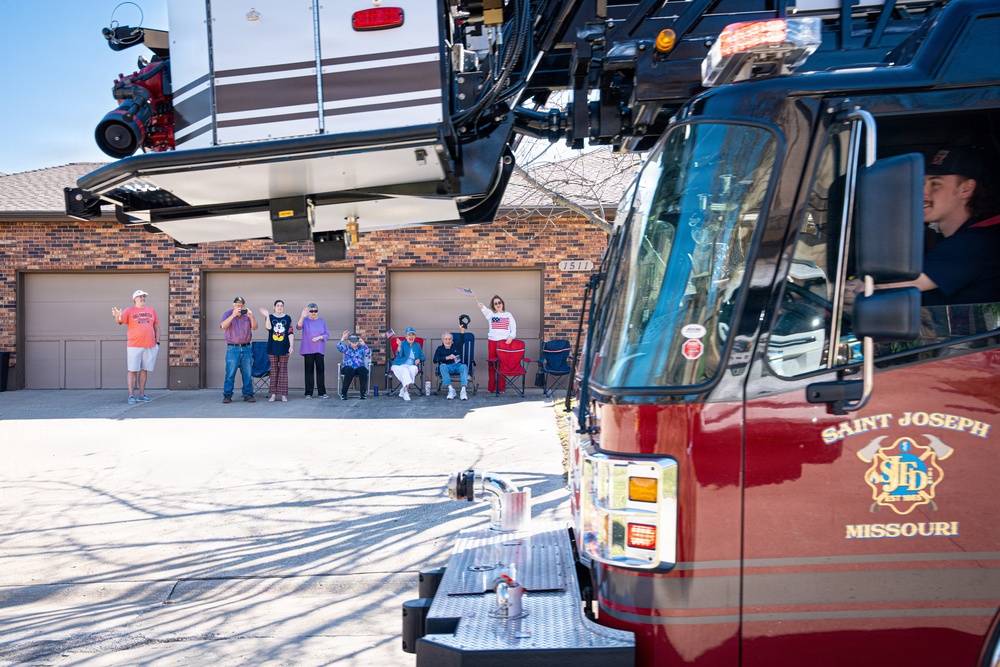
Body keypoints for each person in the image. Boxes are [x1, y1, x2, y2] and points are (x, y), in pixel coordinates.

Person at [852, 146, 1000, 306]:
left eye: (935, 184)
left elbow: (877, 292)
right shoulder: (943, 238)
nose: (923, 192)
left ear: (966, 189)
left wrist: (833, 293)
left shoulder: (973, 244)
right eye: (921, 183)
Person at [111, 289, 160, 405]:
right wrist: (117, 316)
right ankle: (131, 395)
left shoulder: (151, 310)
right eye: (140, 297)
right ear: (134, 299)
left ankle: (141, 395)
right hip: (134, 346)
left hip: (150, 345)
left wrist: (157, 343)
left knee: (144, 370)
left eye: (144, 297)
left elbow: (156, 327)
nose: (142, 298)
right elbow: (119, 320)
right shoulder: (129, 311)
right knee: (132, 370)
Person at [220, 296, 258, 403]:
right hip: (232, 348)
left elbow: (255, 327)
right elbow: (223, 326)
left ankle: (248, 394)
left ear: (244, 306)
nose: (239, 307)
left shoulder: (247, 315)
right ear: (233, 305)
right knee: (230, 373)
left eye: (241, 305)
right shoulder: (227, 314)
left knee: (247, 373)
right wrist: (233, 315)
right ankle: (227, 395)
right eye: (237, 305)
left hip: (246, 348)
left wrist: (251, 317)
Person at [478, 294, 517, 393]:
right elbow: (486, 311)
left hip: (504, 343)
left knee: (502, 365)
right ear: (493, 306)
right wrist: (482, 307)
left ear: (502, 303)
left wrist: (511, 337)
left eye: (499, 302)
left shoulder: (508, 315)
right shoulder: (491, 315)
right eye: (495, 303)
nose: (498, 304)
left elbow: (514, 328)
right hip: (492, 341)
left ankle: (501, 388)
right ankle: (491, 388)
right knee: (492, 364)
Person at [259, 300, 293, 403]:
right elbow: (268, 327)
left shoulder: (287, 318)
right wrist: (267, 316)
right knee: (273, 371)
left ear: (283, 307)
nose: (279, 307)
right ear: (274, 307)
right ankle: (273, 395)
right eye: (277, 306)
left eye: (281, 306)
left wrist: (291, 346)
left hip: (284, 348)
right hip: (272, 348)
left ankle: (283, 395)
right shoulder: (270, 317)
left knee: (283, 371)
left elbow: (290, 333)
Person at [298, 303, 330, 399]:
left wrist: (319, 337)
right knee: (309, 372)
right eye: (311, 311)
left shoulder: (322, 321)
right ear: (308, 312)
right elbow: (298, 327)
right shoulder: (305, 320)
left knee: (320, 371)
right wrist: (302, 316)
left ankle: (322, 392)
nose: (313, 313)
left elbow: (327, 334)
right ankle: (308, 393)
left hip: (319, 350)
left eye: (315, 311)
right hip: (308, 349)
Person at [391, 327, 425, 401]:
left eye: (413, 335)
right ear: (406, 336)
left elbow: (423, 356)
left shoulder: (417, 345)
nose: (411, 337)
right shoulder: (402, 343)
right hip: (399, 365)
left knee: (414, 368)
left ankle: (403, 389)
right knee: (405, 370)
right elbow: (399, 354)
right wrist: (399, 345)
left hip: (411, 365)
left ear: (415, 337)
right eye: (409, 335)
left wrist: (419, 359)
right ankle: (406, 392)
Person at [434, 331, 469, 400]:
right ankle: (451, 390)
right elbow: (435, 360)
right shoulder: (440, 348)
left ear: (452, 340)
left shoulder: (456, 346)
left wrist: (462, 331)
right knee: (442, 366)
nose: (448, 341)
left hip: (458, 366)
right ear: (442, 340)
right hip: (448, 367)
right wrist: (447, 357)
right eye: (446, 339)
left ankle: (463, 390)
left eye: (449, 339)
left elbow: (462, 340)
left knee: (464, 366)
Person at [337, 331, 370, 399]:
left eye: (355, 340)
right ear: (349, 341)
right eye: (352, 340)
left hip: (358, 369)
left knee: (363, 369)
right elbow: (338, 346)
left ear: (358, 341)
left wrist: (363, 344)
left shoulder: (361, 349)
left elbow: (368, 353)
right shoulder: (346, 348)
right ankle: (344, 393)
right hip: (347, 369)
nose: (354, 342)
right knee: (350, 370)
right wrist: (343, 337)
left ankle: (363, 393)